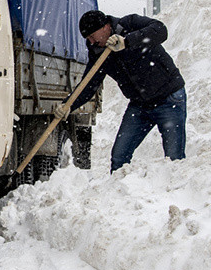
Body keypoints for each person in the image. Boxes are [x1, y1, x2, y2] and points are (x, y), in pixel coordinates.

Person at [54, 10, 186, 172]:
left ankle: (173, 193)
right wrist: (68, 105)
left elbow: (160, 30)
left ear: (105, 27)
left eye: (92, 36)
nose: (92, 42)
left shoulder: (129, 24)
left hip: (168, 99)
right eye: (88, 39)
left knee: (174, 158)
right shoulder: (98, 52)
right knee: (119, 156)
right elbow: (89, 85)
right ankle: (116, 192)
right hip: (140, 106)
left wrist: (127, 41)